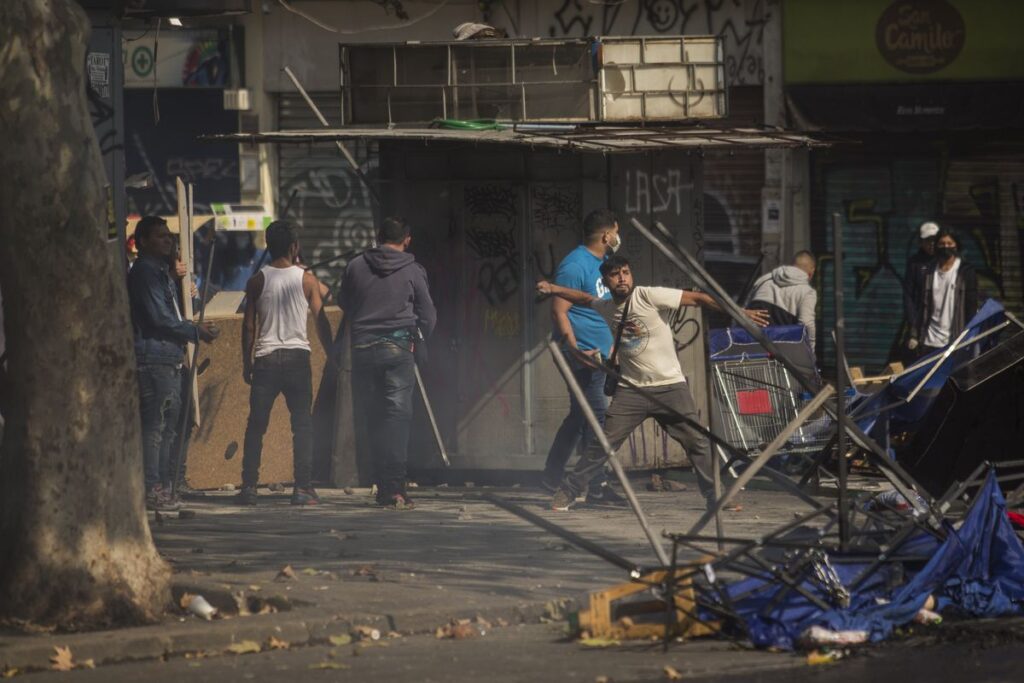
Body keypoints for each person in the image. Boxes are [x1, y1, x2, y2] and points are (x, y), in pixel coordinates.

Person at [536, 256, 768, 511]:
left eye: (625, 272)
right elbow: (582, 298)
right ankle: (568, 492)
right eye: (615, 274)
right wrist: (554, 289)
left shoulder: (648, 296)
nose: (622, 278)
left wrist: (740, 313)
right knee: (603, 443)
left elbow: (699, 298)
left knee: (697, 443)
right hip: (632, 390)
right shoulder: (606, 306)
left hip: (670, 387)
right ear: (605, 281)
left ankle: (716, 496)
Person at [339, 217, 436, 509]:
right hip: (398, 348)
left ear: (377, 236)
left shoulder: (355, 266)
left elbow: (346, 302)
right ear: (405, 239)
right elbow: (428, 313)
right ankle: (396, 487)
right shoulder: (412, 270)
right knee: (397, 418)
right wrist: (420, 338)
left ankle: (383, 486)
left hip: (363, 348)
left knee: (374, 418)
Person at [238, 221, 334, 506]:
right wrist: (332, 353)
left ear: (268, 246)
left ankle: (249, 487)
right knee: (302, 426)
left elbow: (248, 327)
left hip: (266, 359)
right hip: (297, 359)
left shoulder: (257, 280)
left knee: (256, 425)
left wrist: (247, 362)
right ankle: (302, 488)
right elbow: (321, 320)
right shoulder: (307, 280)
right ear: (295, 247)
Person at [127, 216, 219, 512]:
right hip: (154, 358)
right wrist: (194, 331)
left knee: (168, 428)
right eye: (160, 237)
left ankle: (164, 487)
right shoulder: (144, 273)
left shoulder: (162, 273)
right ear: (142, 242)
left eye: (169, 237)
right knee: (156, 427)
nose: (167, 241)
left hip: (169, 357)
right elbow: (158, 318)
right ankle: (153, 488)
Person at [541, 208, 624, 504]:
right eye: (616, 231)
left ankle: (551, 477)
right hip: (582, 355)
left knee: (580, 417)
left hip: (600, 354)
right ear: (606, 235)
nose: (617, 237)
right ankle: (597, 485)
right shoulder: (575, 266)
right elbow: (558, 311)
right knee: (597, 417)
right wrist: (575, 352)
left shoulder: (602, 264)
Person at [912, 228, 978, 358]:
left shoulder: (965, 272)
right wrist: (914, 334)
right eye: (942, 244)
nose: (946, 247)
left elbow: (971, 306)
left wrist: (970, 335)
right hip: (929, 340)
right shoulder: (929, 271)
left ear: (956, 245)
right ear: (936, 246)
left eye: (949, 243)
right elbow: (922, 305)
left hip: (954, 340)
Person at [745, 250, 818, 349]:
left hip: (748, 343)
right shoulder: (807, 292)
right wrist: (810, 350)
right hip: (778, 351)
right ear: (812, 272)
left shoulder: (764, 279)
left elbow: (745, 310)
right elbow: (806, 325)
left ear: (792, 266)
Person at [903, 221, 939, 356]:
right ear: (921, 242)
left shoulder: (944, 262)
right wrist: (913, 326)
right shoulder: (914, 263)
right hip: (921, 322)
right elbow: (908, 295)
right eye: (928, 241)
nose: (931, 244)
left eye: (934, 240)